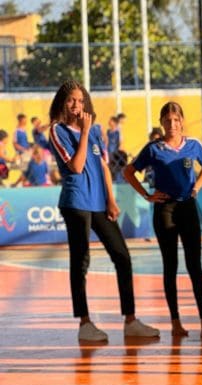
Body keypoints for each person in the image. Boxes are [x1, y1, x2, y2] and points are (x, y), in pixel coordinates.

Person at [49, 80, 159, 342]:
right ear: (63, 103)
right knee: (81, 261)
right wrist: (84, 132)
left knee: (122, 256)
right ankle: (85, 323)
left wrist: (111, 199)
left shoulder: (96, 130)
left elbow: (103, 167)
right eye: (71, 100)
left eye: (80, 100)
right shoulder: (58, 131)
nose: (76, 105)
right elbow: (76, 167)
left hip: (100, 202)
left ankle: (130, 320)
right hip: (76, 202)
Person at [123, 102, 202, 338]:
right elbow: (128, 171)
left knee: (195, 265)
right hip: (164, 210)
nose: (172, 124)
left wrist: (197, 186)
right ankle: (176, 321)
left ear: (182, 121)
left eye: (176, 120)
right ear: (161, 123)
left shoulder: (193, 145)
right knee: (170, 266)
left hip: (187, 208)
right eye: (167, 120)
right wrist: (147, 194)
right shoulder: (154, 149)